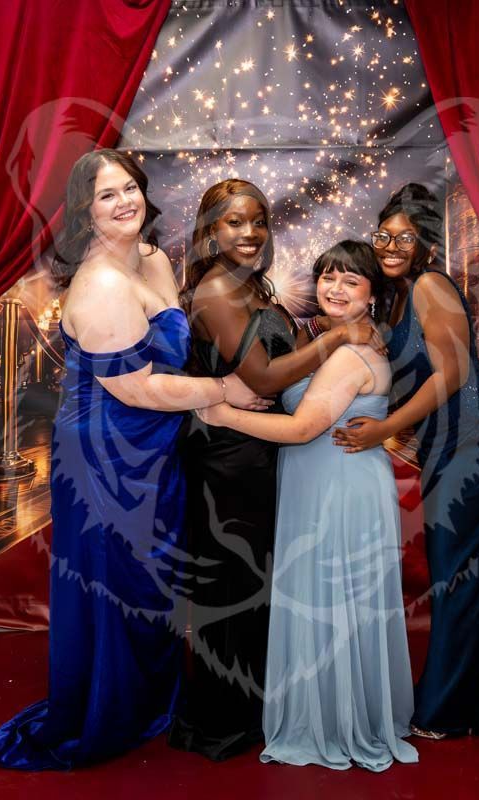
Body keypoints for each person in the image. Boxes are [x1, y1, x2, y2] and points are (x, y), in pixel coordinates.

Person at [0, 149, 266, 770]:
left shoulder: (151, 256)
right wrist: (225, 391)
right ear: (86, 212)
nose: (125, 202)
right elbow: (137, 387)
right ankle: (110, 708)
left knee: (153, 575)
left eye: (131, 188)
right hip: (106, 455)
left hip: (155, 443)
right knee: (118, 579)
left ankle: (150, 694)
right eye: (107, 195)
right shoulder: (102, 285)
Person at [167, 182, 385, 761]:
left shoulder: (252, 286)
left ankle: (255, 707)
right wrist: (339, 335)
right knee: (233, 586)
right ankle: (221, 721)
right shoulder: (216, 288)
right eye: (234, 223)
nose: (249, 233)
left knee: (257, 586)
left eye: (258, 222)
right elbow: (264, 378)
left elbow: (279, 374)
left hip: (259, 455)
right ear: (210, 229)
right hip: (227, 458)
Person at [198, 241, 419, 771]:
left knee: (332, 604)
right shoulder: (328, 340)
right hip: (328, 482)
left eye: (350, 282)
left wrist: (223, 415)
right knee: (334, 605)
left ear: (372, 295)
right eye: (328, 277)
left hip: (337, 491)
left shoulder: (350, 353)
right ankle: (338, 710)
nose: (335, 289)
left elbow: (301, 428)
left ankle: (336, 723)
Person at [331, 184, 479, 738]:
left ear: (426, 244)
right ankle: (477, 699)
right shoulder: (402, 293)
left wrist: (387, 429)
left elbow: (455, 373)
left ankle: (448, 709)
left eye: (404, 237)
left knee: (459, 572)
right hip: (450, 441)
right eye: (384, 235)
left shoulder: (431, 286)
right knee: (463, 570)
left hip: (476, 440)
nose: (391, 246)